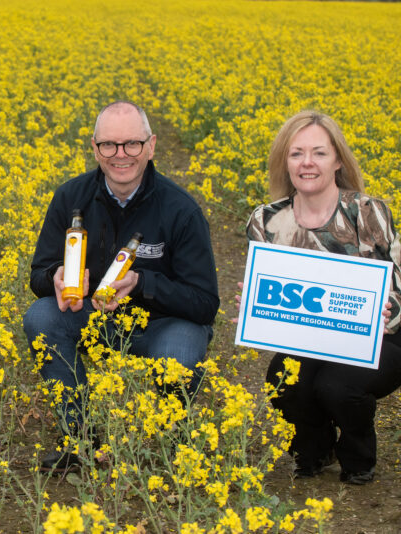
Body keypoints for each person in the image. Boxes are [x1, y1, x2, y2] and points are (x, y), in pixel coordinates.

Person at [24, 100, 219, 473]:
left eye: (131, 144)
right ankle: (79, 442)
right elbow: (38, 273)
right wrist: (56, 277)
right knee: (42, 317)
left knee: (178, 356)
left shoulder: (181, 210)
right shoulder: (70, 198)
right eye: (109, 145)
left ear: (151, 146)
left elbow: (205, 303)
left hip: (164, 324)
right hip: (96, 319)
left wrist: (143, 284)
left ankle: (174, 448)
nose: (120, 155)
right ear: (94, 148)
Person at [245, 110, 401, 485]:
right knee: (283, 381)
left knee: (337, 386)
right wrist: (255, 308)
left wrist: (386, 310)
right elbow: (272, 292)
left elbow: (397, 284)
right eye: (296, 153)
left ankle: (358, 456)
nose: (307, 163)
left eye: (318, 152)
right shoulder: (265, 221)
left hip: (382, 337)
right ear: (285, 161)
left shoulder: (367, 212)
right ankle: (314, 452)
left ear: (337, 161)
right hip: (311, 336)